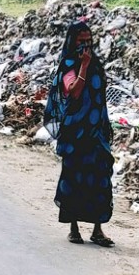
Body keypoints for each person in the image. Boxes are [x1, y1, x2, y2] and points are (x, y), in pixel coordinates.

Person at [43, 21, 115, 247]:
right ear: (72, 42)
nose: (85, 45)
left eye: (88, 41)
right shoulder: (68, 64)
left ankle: (97, 230)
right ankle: (73, 228)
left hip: (96, 132)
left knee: (100, 178)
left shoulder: (97, 64)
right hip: (75, 132)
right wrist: (83, 66)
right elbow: (73, 91)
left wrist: (104, 125)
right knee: (74, 179)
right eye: (81, 41)